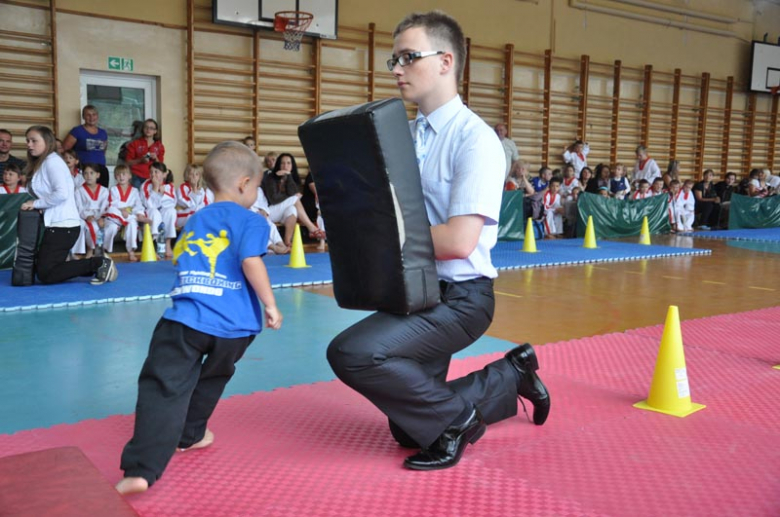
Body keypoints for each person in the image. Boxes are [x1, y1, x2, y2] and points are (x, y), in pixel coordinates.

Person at [327, 10, 550, 472]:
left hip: (460, 298)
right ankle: (511, 374)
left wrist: (378, 240)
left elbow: (458, 241)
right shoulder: (402, 136)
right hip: (414, 291)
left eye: (409, 57)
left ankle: (460, 419)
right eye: (394, 59)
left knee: (352, 353)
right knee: (408, 430)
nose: (396, 68)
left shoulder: (476, 140)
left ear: (446, 61)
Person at [115, 141, 282, 495]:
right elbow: (251, 261)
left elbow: (180, 257)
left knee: (163, 386)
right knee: (212, 379)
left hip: (186, 319)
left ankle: (141, 470)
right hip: (234, 329)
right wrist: (270, 304)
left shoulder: (196, 218)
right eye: (256, 187)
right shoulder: (253, 221)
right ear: (243, 183)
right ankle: (190, 435)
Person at [19, 126, 117, 285]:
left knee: (46, 273)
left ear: (47, 142)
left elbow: (62, 193)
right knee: (45, 270)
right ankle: (97, 264)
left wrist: (35, 203)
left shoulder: (53, 162)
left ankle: (99, 263)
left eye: (34, 141)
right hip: (56, 224)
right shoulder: (43, 163)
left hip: (64, 226)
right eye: (27, 141)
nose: (29, 144)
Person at [261, 153, 323, 247]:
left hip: (279, 212)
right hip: (268, 212)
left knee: (292, 210)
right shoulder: (271, 177)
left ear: (292, 165)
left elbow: (293, 191)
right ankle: (311, 228)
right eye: (282, 163)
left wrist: (289, 176)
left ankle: (287, 242)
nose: (285, 166)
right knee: (294, 199)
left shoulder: (292, 177)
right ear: (278, 164)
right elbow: (273, 199)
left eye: (289, 163)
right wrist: (289, 195)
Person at [62, 105, 109, 187]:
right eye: (88, 115)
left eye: (94, 114)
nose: (91, 117)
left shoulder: (103, 133)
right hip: (84, 169)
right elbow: (65, 150)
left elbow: (103, 151)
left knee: (102, 196)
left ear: (97, 116)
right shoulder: (77, 131)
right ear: (83, 117)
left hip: (101, 170)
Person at [104, 165, 144, 261]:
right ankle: (105, 250)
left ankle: (131, 251)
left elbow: (138, 205)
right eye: (118, 174)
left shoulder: (134, 191)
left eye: (124, 174)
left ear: (129, 176)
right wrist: (123, 210)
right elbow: (112, 203)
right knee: (111, 226)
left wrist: (137, 213)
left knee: (132, 225)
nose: (121, 177)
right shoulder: (113, 189)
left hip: (129, 215)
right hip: (116, 217)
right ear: (115, 177)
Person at [140, 162, 177, 259]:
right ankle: (153, 246)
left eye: (156, 172)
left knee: (171, 211)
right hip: (149, 213)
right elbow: (149, 205)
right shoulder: (145, 185)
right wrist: (155, 190)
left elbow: (172, 203)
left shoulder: (169, 187)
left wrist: (163, 193)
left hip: (163, 212)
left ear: (164, 174)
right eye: (151, 172)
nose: (153, 174)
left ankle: (168, 244)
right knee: (154, 212)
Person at [73, 164, 109, 259]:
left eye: (91, 173)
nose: (88, 176)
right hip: (85, 217)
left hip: (100, 216)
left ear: (98, 175)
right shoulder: (79, 191)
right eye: (86, 173)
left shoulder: (104, 191)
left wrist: (101, 217)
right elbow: (79, 207)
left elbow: (106, 206)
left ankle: (100, 250)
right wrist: (86, 216)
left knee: (107, 226)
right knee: (90, 227)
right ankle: (90, 250)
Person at [124, 119, 165, 189]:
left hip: (153, 177)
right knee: (137, 198)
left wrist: (156, 159)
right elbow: (128, 162)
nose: (148, 129)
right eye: (146, 127)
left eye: (151, 128)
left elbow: (161, 166)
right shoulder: (135, 143)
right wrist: (141, 160)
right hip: (136, 176)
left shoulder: (159, 146)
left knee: (151, 197)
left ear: (155, 131)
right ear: (143, 129)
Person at [176, 164, 213, 230]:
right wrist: (194, 189)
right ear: (187, 176)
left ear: (200, 177)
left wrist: (198, 207)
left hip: (196, 212)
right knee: (196, 212)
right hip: (183, 214)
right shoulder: (183, 187)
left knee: (204, 213)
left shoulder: (202, 190)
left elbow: (205, 203)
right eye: (191, 174)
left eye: (196, 174)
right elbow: (184, 203)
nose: (194, 176)